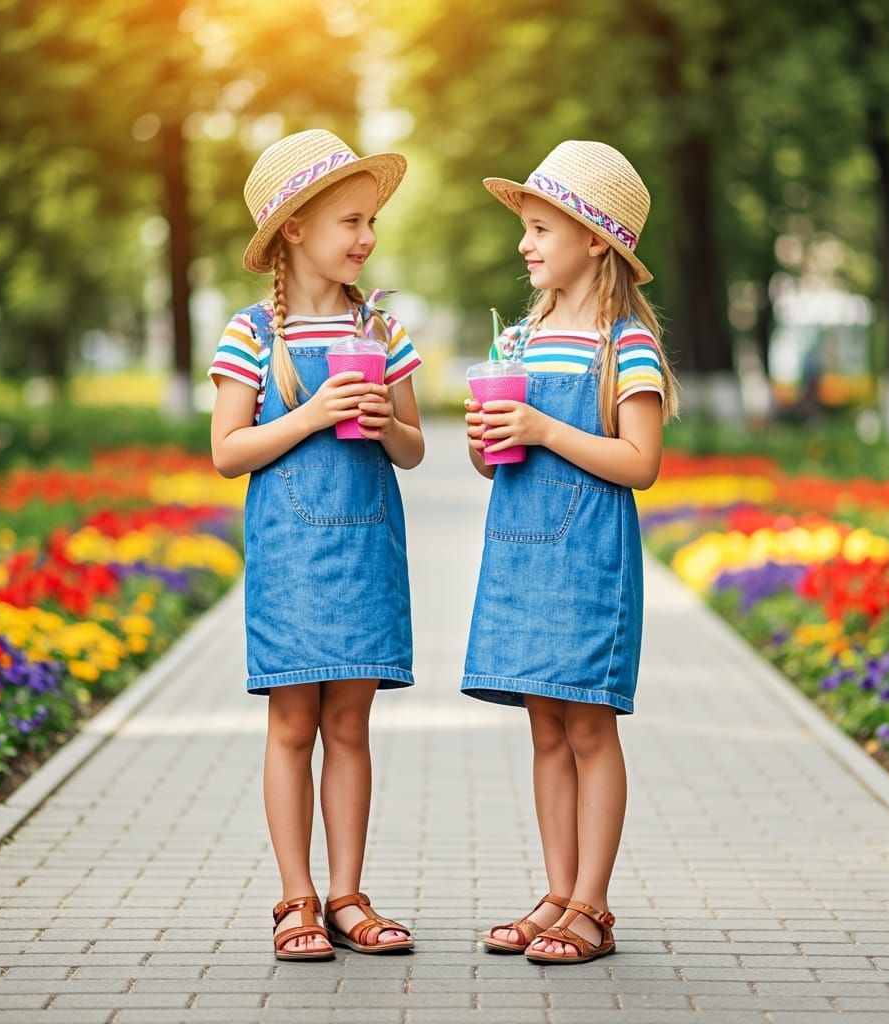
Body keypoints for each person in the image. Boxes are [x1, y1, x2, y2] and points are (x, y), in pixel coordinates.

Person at [208, 129, 424, 961]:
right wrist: (308, 416)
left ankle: (348, 896)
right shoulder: (251, 334)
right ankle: (294, 897)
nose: (366, 238)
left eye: (371, 222)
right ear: (294, 227)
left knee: (352, 724)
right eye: (350, 220)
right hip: (291, 559)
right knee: (293, 720)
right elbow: (227, 452)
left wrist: (384, 426)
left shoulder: (384, 330)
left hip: (367, 550)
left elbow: (412, 448)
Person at [462, 140, 679, 964]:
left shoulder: (626, 346)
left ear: (595, 239)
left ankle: (593, 903)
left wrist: (546, 427)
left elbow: (641, 463)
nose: (525, 244)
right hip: (519, 555)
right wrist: (486, 442)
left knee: (589, 728)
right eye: (525, 227)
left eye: (541, 228)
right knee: (544, 728)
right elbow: (492, 461)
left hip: (589, 560)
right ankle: (557, 891)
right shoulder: (520, 339)